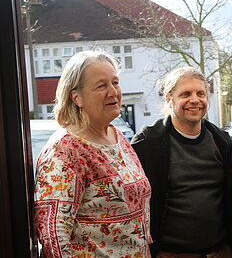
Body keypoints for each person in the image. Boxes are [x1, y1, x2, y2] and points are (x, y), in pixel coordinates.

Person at [33, 50, 152, 257]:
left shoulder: (117, 137)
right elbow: (54, 236)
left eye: (115, 82)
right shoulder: (64, 151)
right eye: (101, 86)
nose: (113, 92)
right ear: (76, 97)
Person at [131, 67, 232, 258]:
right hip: (169, 254)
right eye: (185, 94)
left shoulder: (221, 142)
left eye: (201, 93)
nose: (195, 100)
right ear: (169, 99)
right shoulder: (148, 143)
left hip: (219, 252)